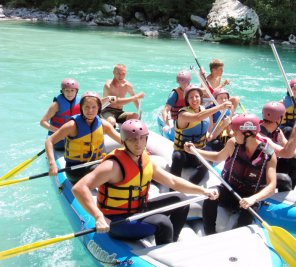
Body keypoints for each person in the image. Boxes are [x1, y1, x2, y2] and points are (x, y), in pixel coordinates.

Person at [72, 119, 218, 245]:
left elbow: (172, 181)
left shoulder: (146, 161)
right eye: (133, 139)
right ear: (123, 141)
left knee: (181, 200)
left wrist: (203, 191)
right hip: (117, 220)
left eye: (142, 138)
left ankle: (170, 243)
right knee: (163, 223)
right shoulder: (113, 166)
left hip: (139, 210)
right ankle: (164, 240)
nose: (139, 143)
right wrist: (98, 217)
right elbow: (79, 188)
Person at [184, 113, 277, 235]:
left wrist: (253, 199)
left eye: (235, 131)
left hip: (249, 198)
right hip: (229, 191)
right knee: (210, 196)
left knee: (245, 218)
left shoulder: (268, 155)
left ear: (247, 134)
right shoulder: (233, 143)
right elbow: (218, 157)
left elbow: (272, 186)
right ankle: (209, 233)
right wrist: (195, 151)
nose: (232, 133)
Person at [45, 91, 121, 183]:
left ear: (98, 108)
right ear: (81, 108)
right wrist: (52, 164)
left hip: (96, 163)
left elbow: (123, 141)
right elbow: (49, 141)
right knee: (108, 170)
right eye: (87, 107)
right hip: (76, 170)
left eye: (94, 107)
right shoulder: (72, 125)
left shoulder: (103, 124)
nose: (90, 111)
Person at [171, 85, 232, 185]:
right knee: (178, 156)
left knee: (209, 159)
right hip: (183, 154)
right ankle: (173, 186)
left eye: (197, 96)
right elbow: (197, 117)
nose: (194, 99)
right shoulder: (183, 114)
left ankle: (192, 184)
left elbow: (210, 136)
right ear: (187, 100)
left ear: (201, 97)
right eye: (191, 97)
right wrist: (220, 107)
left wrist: (223, 125)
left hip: (197, 152)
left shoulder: (204, 111)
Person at [259, 101, 296, 190]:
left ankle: (290, 190)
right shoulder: (260, 136)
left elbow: (287, 145)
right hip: (259, 171)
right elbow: (287, 153)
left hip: (271, 165)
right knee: (284, 180)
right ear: (279, 119)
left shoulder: (277, 130)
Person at [40, 78, 81, 150]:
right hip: (58, 138)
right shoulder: (56, 105)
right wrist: (60, 132)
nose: (69, 93)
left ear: (76, 91)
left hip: (73, 136)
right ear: (62, 91)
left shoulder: (80, 102)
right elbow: (43, 122)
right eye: (67, 90)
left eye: (72, 90)